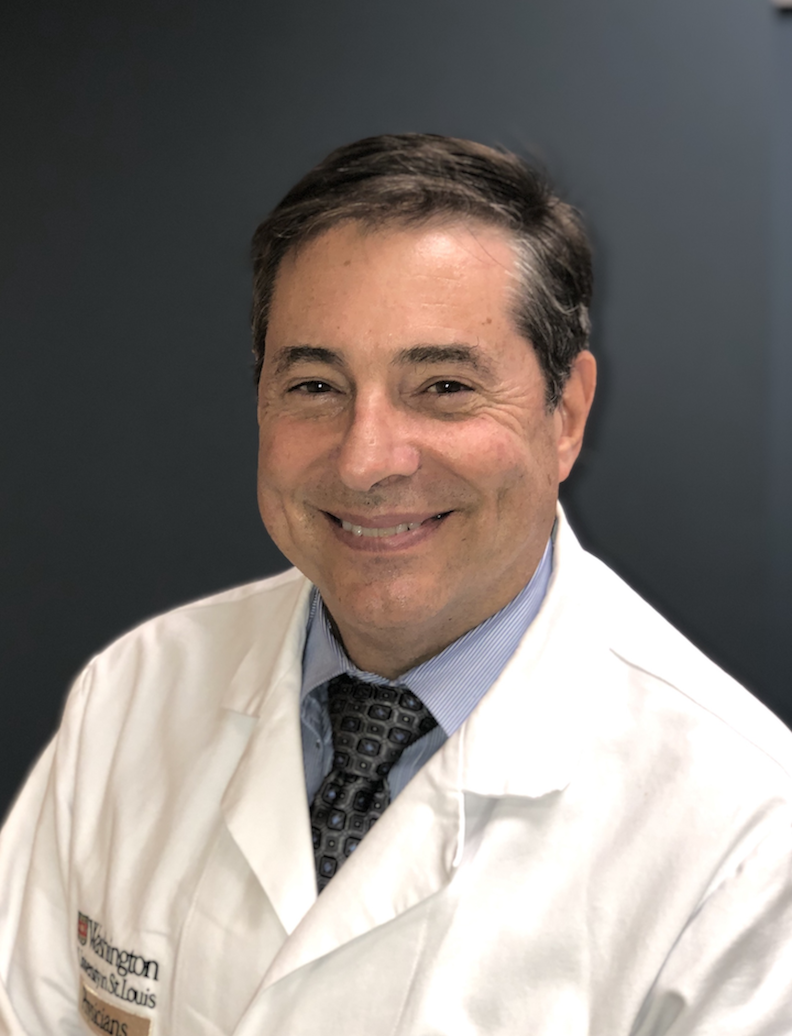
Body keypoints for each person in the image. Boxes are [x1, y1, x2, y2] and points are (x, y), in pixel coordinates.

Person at [1, 133, 791, 1036]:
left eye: (444, 386)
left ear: (566, 414)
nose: (366, 459)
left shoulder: (747, 833)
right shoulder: (132, 693)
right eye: (315, 386)